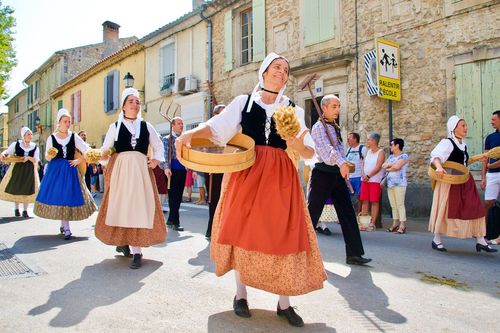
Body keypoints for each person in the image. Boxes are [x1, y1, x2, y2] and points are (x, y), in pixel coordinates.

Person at [175, 53, 326, 327]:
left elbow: (309, 151)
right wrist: (189, 134)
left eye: (285, 69)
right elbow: (216, 128)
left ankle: (284, 303)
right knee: (242, 231)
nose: (281, 72)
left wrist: (295, 142)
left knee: (284, 234)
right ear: (264, 72)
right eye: (276, 67)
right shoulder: (243, 102)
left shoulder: (293, 109)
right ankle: (241, 295)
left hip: (281, 177)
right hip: (247, 172)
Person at [95, 88, 167, 269]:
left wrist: (157, 160)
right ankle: (123, 242)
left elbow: (158, 146)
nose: (134, 105)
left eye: (137, 102)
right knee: (122, 207)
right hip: (121, 173)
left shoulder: (146, 126)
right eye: (131, 102)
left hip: (141, 172)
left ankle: (137, 252)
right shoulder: (115, 127)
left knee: (138, 207)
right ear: (123, 106)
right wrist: (97, 156)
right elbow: (106, 150)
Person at [307, 94, 372, 266]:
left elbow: (339, 150)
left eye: (339, 106)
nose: (338, 109)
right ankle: (301, 253)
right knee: (312, 214)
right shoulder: (318, 127)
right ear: (324, 108)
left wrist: (345, 166)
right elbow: (325, 150)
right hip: (322, 173)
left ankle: (354, 253)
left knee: (348, 213)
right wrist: (341, 162)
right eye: (334, 106)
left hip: (336, 174)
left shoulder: (333, 127)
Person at [429, 116, 496, 253]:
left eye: (465, 125)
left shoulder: (463, 144)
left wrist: (479, 157)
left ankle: (480, 240)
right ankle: (436, 239)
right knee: (446, 209)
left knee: (476, 207)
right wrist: (439, 167)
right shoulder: (447, 143)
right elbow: (436, 156)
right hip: (450, 180)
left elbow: (463, 162)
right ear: (454, 128)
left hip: (465, 180)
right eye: (463, 126)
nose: (466, 128)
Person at [34, 109, 97, 240]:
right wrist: (49, 155)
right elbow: (47, 156)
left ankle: (66, 226)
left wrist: (79, 160)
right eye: (65, 121)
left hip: (70, 170)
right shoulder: (52, 138)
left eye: (69, 121)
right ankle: (65, 226)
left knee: (68, 196)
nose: (68, 124)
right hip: (56, 171)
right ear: (59, 122)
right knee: (60, 197)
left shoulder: (74, 136)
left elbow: (86, 149)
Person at [0, 127, 40, 217]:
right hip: (17, 168)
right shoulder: (16, 144)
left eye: (31, 134)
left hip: (29, 170)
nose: (30, 136)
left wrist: (28, 158)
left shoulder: (34, 146)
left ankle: (25, 210)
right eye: (28, 134)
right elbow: (8, 151)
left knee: (27, 188)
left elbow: (36, 159)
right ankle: (16, 209)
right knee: (16, 187)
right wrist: (3, 154)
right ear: (23, 136)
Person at [205, 104, 225, 240]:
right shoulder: (208, 130)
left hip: (227, 170)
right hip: (213, 169)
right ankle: (211, 230)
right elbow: (204, 149)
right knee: (214, 200)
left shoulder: (230, 129)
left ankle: (222, 232)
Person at [382, 138, 409, 234]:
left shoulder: (404, 156)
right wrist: (391, 166)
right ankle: (395, 223)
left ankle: (402, 225)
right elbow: (383, 165)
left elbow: (397, 167)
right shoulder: (391, 157)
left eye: (392, 144)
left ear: (397, 145)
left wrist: (390, 167)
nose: (391, 146)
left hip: (400, 184)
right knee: (393, 205)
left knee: (400, 204)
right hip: (390, 184)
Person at [163, 117, 186, 231]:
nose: (181, 125)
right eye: (179, 123)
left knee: (178, 197)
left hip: (183, 170)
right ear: (173, 125)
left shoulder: (184, 138)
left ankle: (171, 219)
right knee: (173, 197)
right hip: (172, 171)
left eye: (182, 123)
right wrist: (166, 168)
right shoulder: (167, 139)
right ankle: (176, 222)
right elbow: (165, 155)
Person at [360, 132, 385, 231]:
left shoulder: (381, 152)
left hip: (375, 180)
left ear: (374, 141)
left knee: (374, 201)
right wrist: (363, 174)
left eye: (369, 139)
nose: (367, 141)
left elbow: (378, 166)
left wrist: (369, 175)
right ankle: (364, 222)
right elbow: (363, 163)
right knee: (364, 200)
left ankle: (372, 223)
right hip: (365, 180)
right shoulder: (367, 151)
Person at [481, 110, 500, 244]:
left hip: (495, 170)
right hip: (491, 175)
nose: (491, 121)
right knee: (487, 203)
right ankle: (482, 234)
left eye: (494, 119)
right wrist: (483, 177)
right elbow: (484, 158)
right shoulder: (490, 138)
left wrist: (492, 166)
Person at [346, 132, 367, 214]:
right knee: (348, 197)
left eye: (349, 138)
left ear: (355, 139)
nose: (348, 140)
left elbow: (365, 162)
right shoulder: (348, 149)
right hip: (349, 178)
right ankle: (349, 214)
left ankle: (358, 215)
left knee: (359, 197)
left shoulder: (362, 149)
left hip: (358, 177)